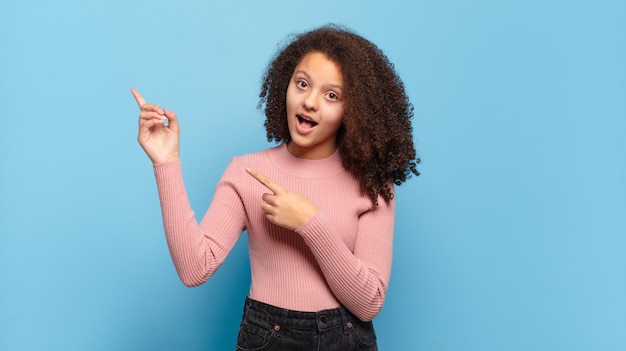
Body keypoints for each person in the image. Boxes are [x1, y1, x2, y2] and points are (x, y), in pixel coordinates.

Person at [131, 24, 420, 351]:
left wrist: (311, 223)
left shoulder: (373, 185)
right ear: (286, 85)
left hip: (347, 337)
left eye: (331, 95)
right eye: (302, 84)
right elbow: (194, 268)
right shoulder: (247, 171)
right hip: (269, 336)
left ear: (352, 111)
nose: (310, 101)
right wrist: (166, 162)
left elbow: (369, 304)